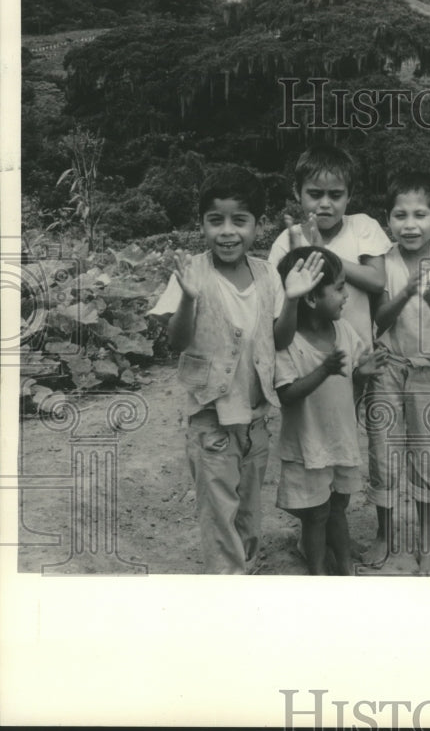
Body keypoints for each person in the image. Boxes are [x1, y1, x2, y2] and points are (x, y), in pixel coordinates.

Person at [149, 166, 324, 574]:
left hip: (256, 417)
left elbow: (279, 340)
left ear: (257, 226)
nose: (227, 231)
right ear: (202, 225)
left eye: (239, 220)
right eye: (216, 221)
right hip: (210, 417)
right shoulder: (192, 272)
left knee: (249, 502)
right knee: (217, 509)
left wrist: (294, 300)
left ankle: (247, 565)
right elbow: (175, 342)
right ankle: (227, 582)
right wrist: (189, 300)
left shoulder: (267, 275)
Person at [363, 171, 430, 573]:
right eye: (400, 215)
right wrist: (407, 290)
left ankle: (425, 541)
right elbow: (380, 320)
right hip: (389, 367)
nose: (410, 225)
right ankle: (385, 536)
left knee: (423, 456)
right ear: (387, 220)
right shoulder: (383, 262)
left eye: (420, 215)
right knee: (383, 453)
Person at [273, 246, 387, 575]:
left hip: (340, 441)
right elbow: (287, 395)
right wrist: (323, 370)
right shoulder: (288, 343)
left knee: (339, 507)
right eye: (338, 288)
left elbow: (349, 388)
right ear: (310, 299)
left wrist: (362, 375)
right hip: (308, 446)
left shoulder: (346, 333)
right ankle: (319, 573)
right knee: (316, 514)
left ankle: (347, 568)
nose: (346, 296)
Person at [268, 144, 390, 348]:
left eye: (335, 195)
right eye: (315, 194)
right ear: (297, 192)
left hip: (360, 359)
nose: (325, 203)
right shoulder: (286, 241)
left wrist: (323, 253)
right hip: (304, 359)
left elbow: (377, 280)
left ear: (349, 195)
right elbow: (279, 306)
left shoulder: (363, 226)